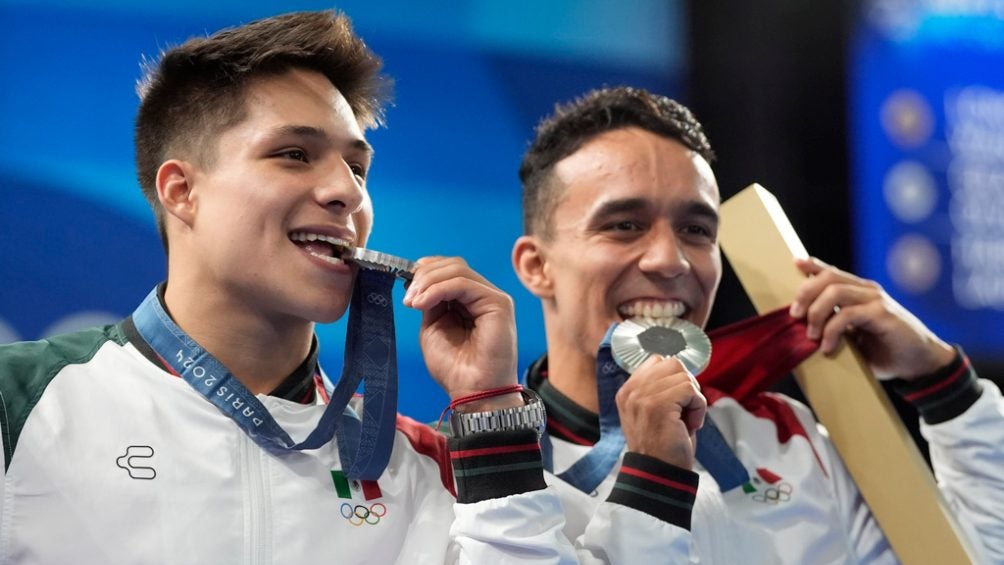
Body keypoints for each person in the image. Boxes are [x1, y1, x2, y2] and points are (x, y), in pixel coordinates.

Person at [0, 11, 576, 564]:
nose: (346, 193)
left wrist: (491, 404)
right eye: (294, 154)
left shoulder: (424, 463)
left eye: (357, 168)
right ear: (181, 192)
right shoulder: (17, 403)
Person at [511, 86, 1004, 563]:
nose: (671, 260)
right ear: (537, 266)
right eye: (624, 225)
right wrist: (653, 479)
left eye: (696, 230)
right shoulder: (483, 475)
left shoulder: (786, 439)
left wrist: (944, 384)